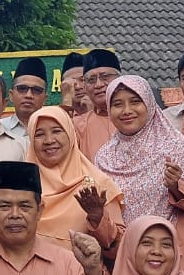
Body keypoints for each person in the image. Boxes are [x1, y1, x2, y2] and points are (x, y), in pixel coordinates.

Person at [95, 74, 184, 269]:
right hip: (126, 259)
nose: (127, 111)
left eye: (135, 102)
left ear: (149, 104)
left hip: (173, 256)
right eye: (117, 104)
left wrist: (177, 187)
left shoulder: (176, 147)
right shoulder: (104, 158)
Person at [25, 106, 123, 252]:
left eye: (57, 131)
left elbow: (119, 246)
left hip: (82, 266)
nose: (49, 140)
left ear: (71, 134)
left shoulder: (97, 185)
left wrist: (99, 219)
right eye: (39, 134)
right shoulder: (21, 185)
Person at [73, 48, 121, 157]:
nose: (98, 85)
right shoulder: (77, 126)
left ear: (120, 79)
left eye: (105, 77)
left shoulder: (136, 117)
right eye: (91, 80)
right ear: (85, 86)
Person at [3, 57, 49, 137]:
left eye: (36, 90)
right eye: (22, 88)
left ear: (45, 99)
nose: (29, 95)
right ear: (11, 95)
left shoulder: (52, 130)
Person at [58, 51, 86, 115]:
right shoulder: (56, 117)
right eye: (71, 82)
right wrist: (67, 101)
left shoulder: (107, 112)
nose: (78, 87)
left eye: (83, 80)